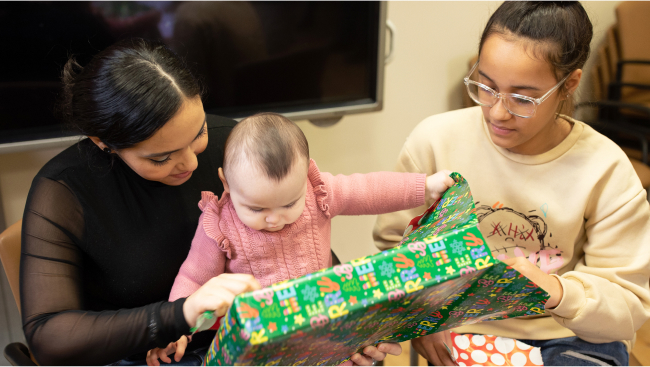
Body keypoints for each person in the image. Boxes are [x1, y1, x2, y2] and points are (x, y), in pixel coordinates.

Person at [373, 2, 650, 366]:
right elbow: (394, 251)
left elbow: (627, 305)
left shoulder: (606, 170)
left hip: (567, 335)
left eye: (522, 98)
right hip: (458, 326)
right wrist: (423, 318)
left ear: (570, 84)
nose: (498, 112)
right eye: (485, 87)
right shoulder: (435, 141)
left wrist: (555, 290)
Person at [19, 38, 263, 366]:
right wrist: (179, 314)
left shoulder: (235, 145)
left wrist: (348, 326)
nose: (190, 163)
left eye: (198, 134)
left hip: (251, 345)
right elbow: (49, 335)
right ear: (103, 142)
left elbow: (302, 234)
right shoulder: (65, 191)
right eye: (161, 157)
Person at [145, 112, 455, 365]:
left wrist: (423, 187)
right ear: (226, 181)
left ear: (306, 175)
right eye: (256, 208)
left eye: (289, 203)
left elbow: (368, 190)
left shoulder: (318, 193)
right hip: (259, 341)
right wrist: (175, 329)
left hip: (324, 323)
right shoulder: (219, 224)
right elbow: (193, 275)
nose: (274, 218)